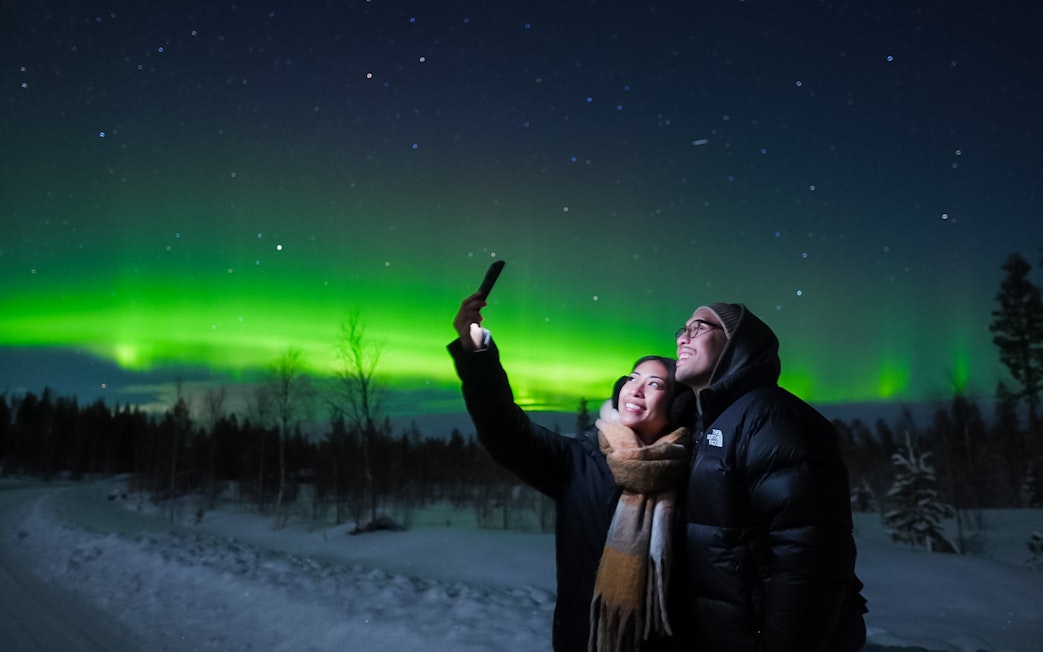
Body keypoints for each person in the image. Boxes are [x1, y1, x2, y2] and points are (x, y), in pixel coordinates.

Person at [449, 292, 696, 652]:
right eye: (632, 377)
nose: (636, 389)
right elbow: (504, 431)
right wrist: (478, 355)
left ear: (677, 406)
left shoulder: (696, 468)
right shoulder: (579, 459)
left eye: (655, 384)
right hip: (586, 640)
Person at [673, 302, 868, 651]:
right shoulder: (712, 423)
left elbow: (810, 554)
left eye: (698, 327)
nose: (682, 338)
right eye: (681, 330)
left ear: (736, 342)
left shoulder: (772, 417)